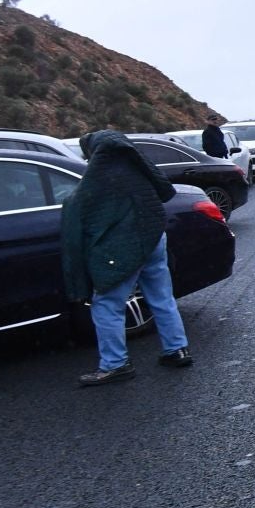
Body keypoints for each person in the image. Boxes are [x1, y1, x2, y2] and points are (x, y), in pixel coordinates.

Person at [60, 131, 193, 387]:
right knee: (162, 297)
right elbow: (162, 192)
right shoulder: (136, 169)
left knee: (107, 303)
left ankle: (115, 364)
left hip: (124, 247)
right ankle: (177, 350)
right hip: (154, 239)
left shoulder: (99, 176)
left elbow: (79, 210)